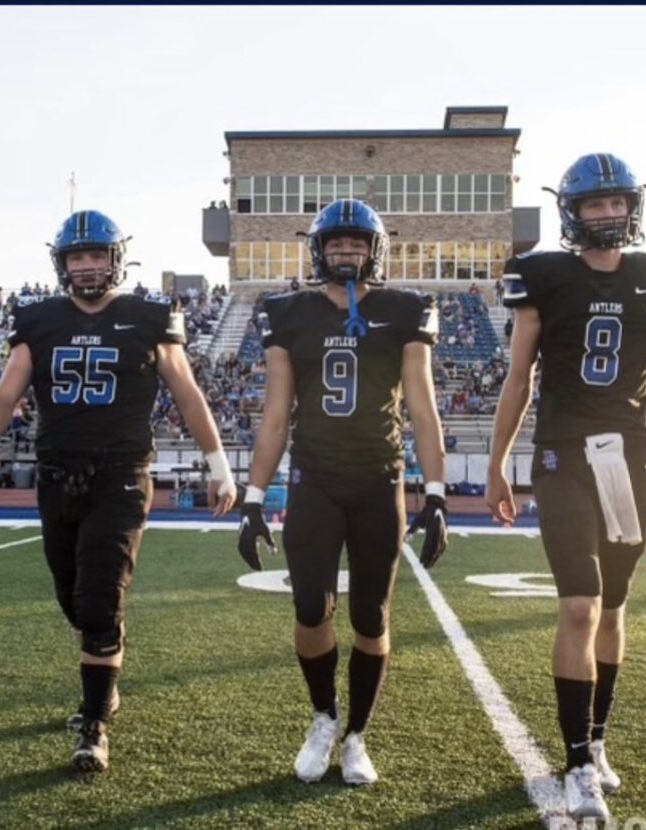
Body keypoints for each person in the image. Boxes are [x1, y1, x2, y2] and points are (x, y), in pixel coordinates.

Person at [0, 209, 237, 774]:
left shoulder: (148, 316)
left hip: (120, 472)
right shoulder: (38, 320)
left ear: (116, 260)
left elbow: (187, 394)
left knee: (98, 599)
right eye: (76, 257)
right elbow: (8, 387)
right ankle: (104, 657)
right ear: (61, 264)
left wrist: (219, 466)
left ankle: (94, 725)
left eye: (95, 256)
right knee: (72, 597)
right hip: (57, 469)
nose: (86, 266)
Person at [485, 153, 646, 822]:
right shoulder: (544, 277)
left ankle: (598, 739)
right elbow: (519, 376)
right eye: (594, 205)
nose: (607, 214)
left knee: (612, 609)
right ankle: (577, 760)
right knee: (579, 606)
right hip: (563, 455)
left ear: (630, 208)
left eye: (616, 202)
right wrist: (498, 461)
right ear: (571, 212)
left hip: (629, 456)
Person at [237, 198, 448, 786]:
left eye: (357, 243)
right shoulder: (288, 312)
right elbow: (277, 414)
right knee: (310, 608)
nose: (347, 253)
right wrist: (254, 497)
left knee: (371, 615)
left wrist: (434, 493)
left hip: (379, 477)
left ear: (375, 249)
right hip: (314, 479)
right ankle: (324, 715)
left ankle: (357, 734)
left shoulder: (406, 310)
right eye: (337, 244)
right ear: (319, 250)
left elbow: (423, 410)